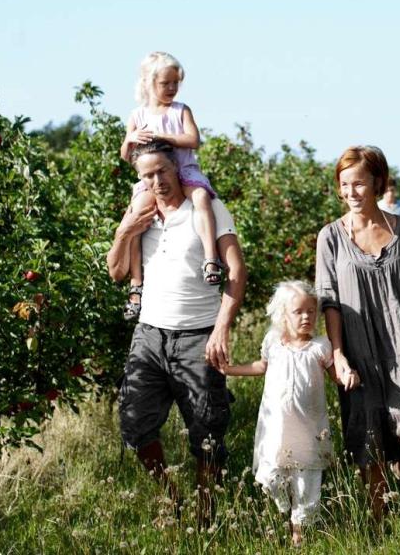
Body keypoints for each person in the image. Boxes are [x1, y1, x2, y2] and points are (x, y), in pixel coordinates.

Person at [106, 139, 247, 527]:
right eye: (147, 176)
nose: (157, 181)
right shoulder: (141, 213)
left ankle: (207, 513)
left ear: (177, 169)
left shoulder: (207, 208)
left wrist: (221, 328)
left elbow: (236, 271)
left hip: (198, 335)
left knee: (207, 432)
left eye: (162, 172)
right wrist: (126, 230)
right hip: (149, 335)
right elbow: (117, 272)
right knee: (134, 424)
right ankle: (171, 497)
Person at [315, 145, 400, 522]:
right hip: (357, 349)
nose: (351, 192)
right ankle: (377, 518)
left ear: (377, 183)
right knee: (366, 428)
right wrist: (338, 356)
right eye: (344, 185)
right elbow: (330, 301)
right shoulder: (330, 237)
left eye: (359, 184)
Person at [221, 281, 344, 547]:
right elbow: (261, 366)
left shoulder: (321, 347)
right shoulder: (273, 342)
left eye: (311, 311)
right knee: (273, 475)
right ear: (283, 315)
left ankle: (299, 527)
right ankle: (284, 510)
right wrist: (230, 370)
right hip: (276, 427)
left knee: (306, 479)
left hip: (309, 430)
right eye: (299, 311)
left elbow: (337, 377)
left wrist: (351, 375)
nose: (306, 317)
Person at [119, 51, 224, 321]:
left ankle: (210, 259)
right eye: (166, 83)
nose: (172, 88)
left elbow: (194, 140)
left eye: (176, 83)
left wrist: (161, 136)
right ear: (149, 83)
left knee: (200, 197)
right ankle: (136, 285)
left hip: (184, 169)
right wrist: (131, 137)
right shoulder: (138, 115)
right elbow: (124, 155)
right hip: (154, 178)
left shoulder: (180, 110)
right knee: (136, 218)